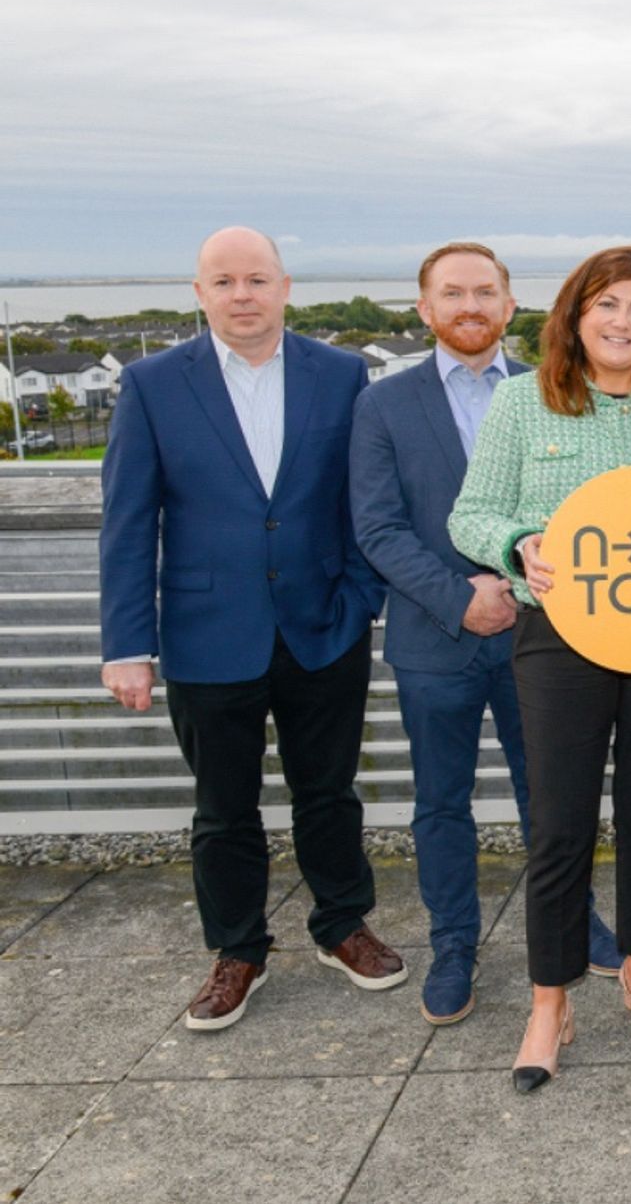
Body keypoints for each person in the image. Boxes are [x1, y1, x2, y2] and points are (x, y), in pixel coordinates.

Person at [448, 245, 631, 1093]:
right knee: (561, 823)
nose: (622, 322)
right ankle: (550, 999)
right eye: (607, 304)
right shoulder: (522, 402)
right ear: (576, 314)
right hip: (558, 640)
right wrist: (516, 544)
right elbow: (473, 513)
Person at [99, 226, 401, 1031]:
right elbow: (129, 524)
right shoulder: (154, 384)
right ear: (198, 293)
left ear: (284, 286)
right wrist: (129, 646)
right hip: (206, 634)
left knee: (329, 792)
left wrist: (361, 599)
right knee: (223, 807)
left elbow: (368, 498)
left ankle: (343, 925)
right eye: (224, 281)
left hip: (323, 626)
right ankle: (238, 951)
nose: (243, 295)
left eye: (257, 279)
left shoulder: (341, 375)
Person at [350, 242, 619, 1025]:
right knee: (441, 805)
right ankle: (454, 946)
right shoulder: (383, 404)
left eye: (485, 292)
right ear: (425, 309)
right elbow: (377, 527)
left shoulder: (557, 393)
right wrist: (458, 598)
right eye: (452, 294)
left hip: (546, 634)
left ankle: (573, 922)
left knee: (556, 798)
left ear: (510, 305)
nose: (470, 306)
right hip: (436, 639)